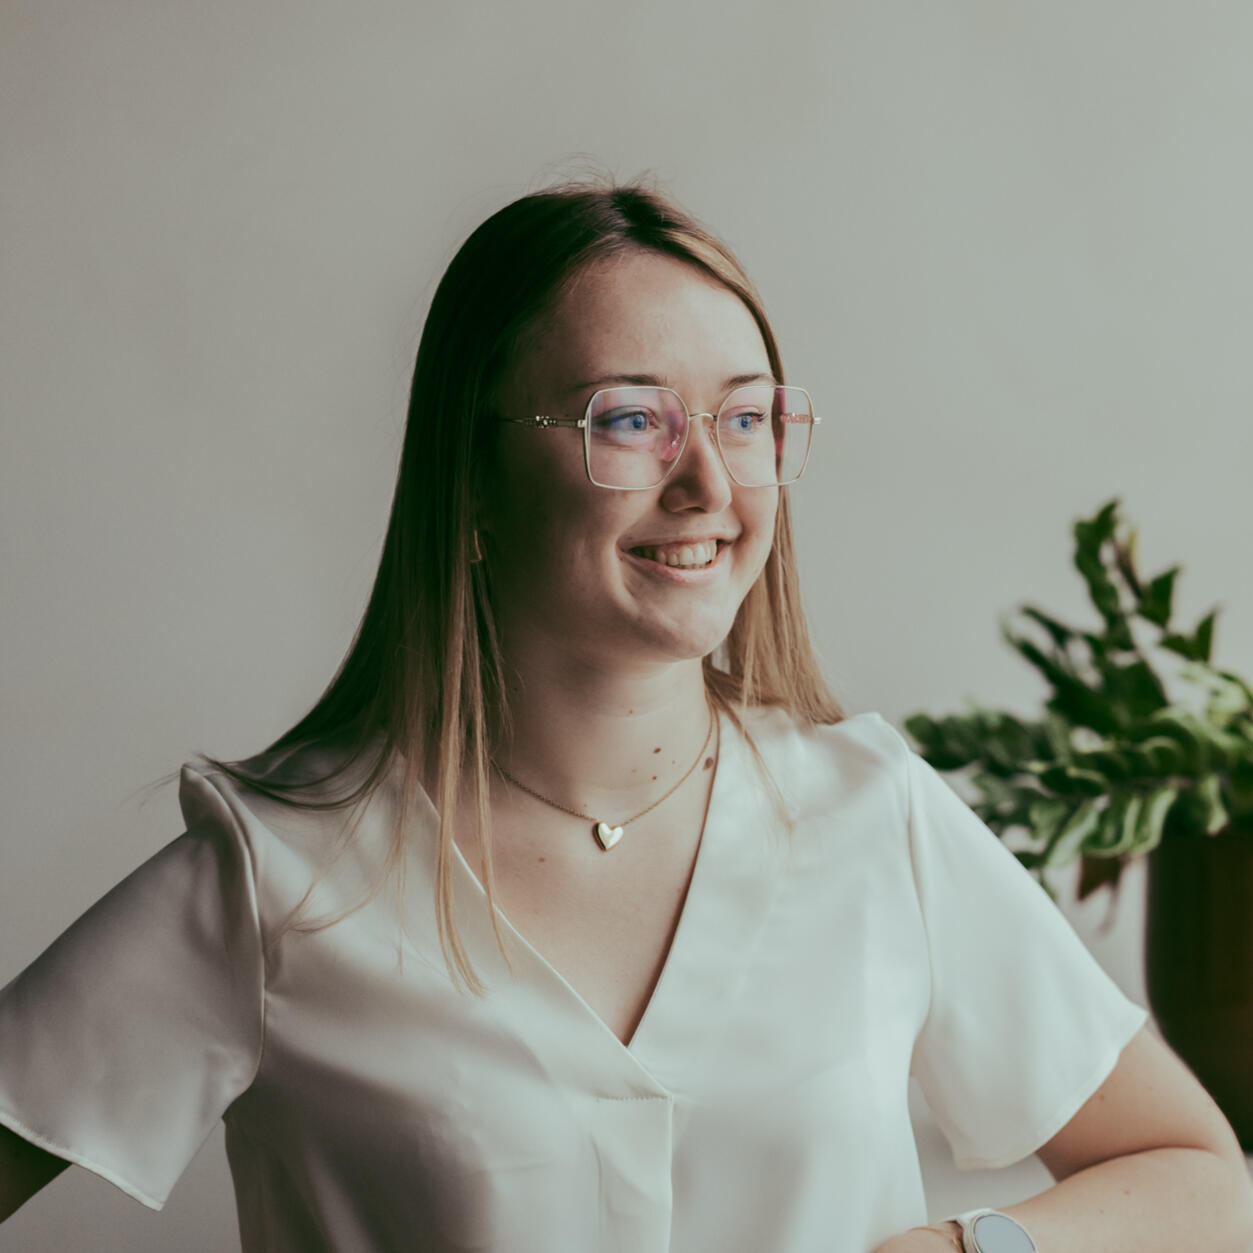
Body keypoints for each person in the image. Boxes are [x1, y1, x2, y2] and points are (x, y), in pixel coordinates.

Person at [1, 179, 1250, 1253]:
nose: (708, 481)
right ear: (470, 477)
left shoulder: (873, 816)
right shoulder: (278, 877)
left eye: (745, 417)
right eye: (630, 419)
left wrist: (962, 1249)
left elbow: (1198, 1177)